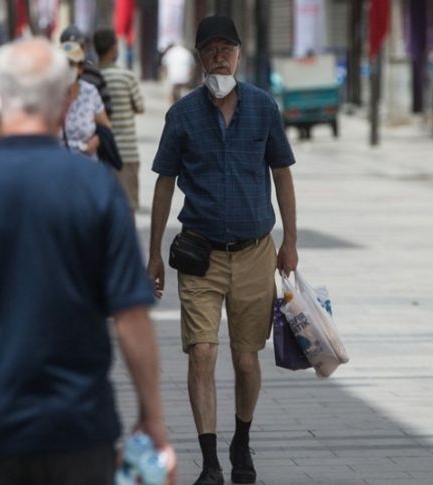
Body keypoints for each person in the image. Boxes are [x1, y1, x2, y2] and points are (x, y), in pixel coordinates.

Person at [0, 37, 174, 485]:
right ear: (66, 107)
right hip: (78, 435)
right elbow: (131, 317)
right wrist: (153, 419)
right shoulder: (98, 191)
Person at [147, 15, 298, 485]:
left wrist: (289, 242)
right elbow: (164, 184)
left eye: (226, 48)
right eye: (210, 49)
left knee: (246, 357)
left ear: (238, 53)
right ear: (198, 57)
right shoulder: (183, 115)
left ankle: (241, 440)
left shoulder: (263, 108)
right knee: (203, 353)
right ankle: (211, 461)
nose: (219, 56)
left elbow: (282, 174)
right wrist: (153, 252)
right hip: (200, 255)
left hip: (255, 252)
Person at [94, 28, 144, 211]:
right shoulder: (127, 77)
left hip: (100, 152)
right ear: (114, 49)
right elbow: (140, 106)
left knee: (102, 208)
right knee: (127, 207)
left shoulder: (90, 77)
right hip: (126, 153)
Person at [61, 41, 111, 160]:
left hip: (86, 165)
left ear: (80, 68)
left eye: (71, 64)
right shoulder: (48, 93)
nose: (67, 68)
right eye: (63, 64)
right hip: (56, 167)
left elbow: (106, 126)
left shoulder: (90, 92)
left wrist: (97, 140)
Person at [60, 25, 112, 117]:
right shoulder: (54, 80)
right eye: (69, 48)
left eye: (79, 48)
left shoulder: (94, 76)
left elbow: (106, 110)